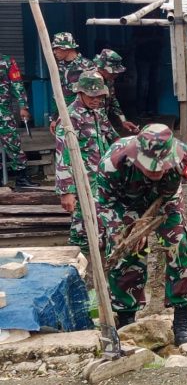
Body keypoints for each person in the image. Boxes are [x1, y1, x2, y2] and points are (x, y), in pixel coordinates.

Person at [95, 124, 187, 345]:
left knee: (179, 246)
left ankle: (182, 320)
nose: (156, 171)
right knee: (127, 255)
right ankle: (127, 320)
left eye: (161, 167)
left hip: (167, 200)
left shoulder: (182, 156)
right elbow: (106, 203)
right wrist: (124, 232)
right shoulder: (113, 163)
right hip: (125, 205)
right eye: (150, 167)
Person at [55, 71, 118, 255]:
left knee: (101, 219)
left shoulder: (97, 112)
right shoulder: (70, 118)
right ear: (80, 93)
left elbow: (113, 138)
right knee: (82, 225)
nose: (97, 99)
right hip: (82, 181)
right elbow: (62, 155)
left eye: (100, 96)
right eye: (92, 96)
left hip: (101, 178)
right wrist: (66, 191)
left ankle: (100, 259)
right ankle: (78, 263)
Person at [0, 54, 38, 188]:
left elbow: (17, 84)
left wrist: (23, 106)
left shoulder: (6, 61)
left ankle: (22, 178)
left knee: (13, 145)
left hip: (3, 115)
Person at [50, 32, 94, 135]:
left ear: (67, 48)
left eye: (57, 48)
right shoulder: (57, 67)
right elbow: (56, 94)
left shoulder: (87, 66)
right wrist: (54, 118)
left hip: (83, 118)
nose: (54, 52)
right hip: (63, 118)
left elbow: (95, 95)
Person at [93, 49, 139, 134]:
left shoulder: (109, 79)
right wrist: (115, 138)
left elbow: (112, 100)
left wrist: (123, 120)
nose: (116, 75)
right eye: (113, 72)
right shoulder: (91, 80)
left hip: (101, 126)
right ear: (102, 68)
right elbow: (98, 113)